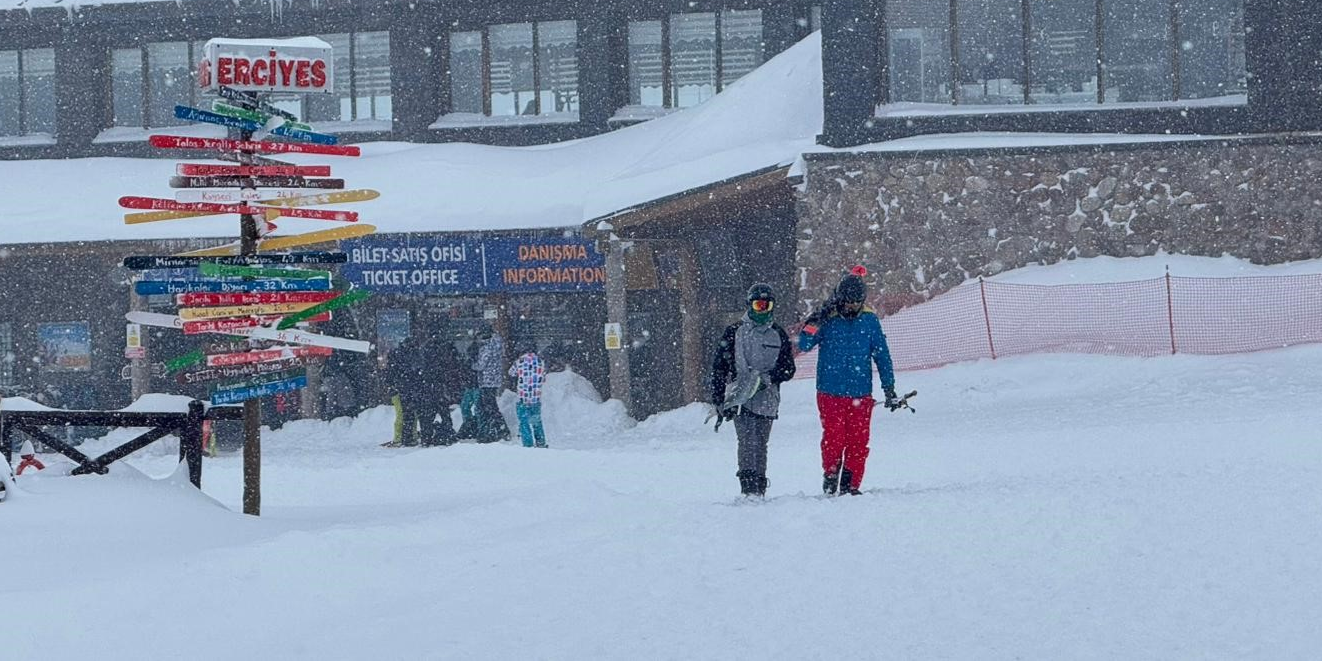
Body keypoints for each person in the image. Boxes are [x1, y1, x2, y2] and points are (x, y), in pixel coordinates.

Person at [798, 266, 901, 496]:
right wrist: (816, 319)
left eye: (857, 302)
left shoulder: (869, 320)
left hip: (860, 393)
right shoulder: (828, 319)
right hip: (830, 391)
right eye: (848, 302)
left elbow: (882, 355)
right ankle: (831, 477)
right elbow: (804, 343)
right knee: (834, 439)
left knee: (858, 442)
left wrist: (889, 388)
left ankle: (851, 485)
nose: (852, 307)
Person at [710, 283, 797, 497]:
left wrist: (768, 379)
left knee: (761, 442)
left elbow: (788, 368)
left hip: (767, 398)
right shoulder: (734, 332)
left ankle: (759, 483)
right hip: (741, 397)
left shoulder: (778, 334)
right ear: (750, 306)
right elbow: (719, 366)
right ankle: (747, 484)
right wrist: (719, 397)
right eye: (758, 305)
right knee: (747, 440)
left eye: (766, 306)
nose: (762, 310)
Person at [471, 329, 511, 443]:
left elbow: (481, 365)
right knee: (492, 406)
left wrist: (472, 365)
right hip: (495, 379)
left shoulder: (486, 348)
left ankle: (497, 430)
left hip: (486, 381)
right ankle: (500, 429)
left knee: (490, 407)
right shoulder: (497, 346)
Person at [508, 342, 548, 448]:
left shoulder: (519, 361)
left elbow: (511, 373)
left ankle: (528, 443)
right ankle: (540, 442)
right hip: (536, 396)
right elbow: (543, 377)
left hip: (523, 396)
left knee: (524, 421)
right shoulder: (540, 362)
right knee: (536, 421)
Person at [456, 342, 482, 439]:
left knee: (476, 408)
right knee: (465, 407)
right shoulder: (469, 362)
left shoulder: (477, 362)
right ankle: (470, 425)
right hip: (470, 386)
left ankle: (475, 426)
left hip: (476, 386)